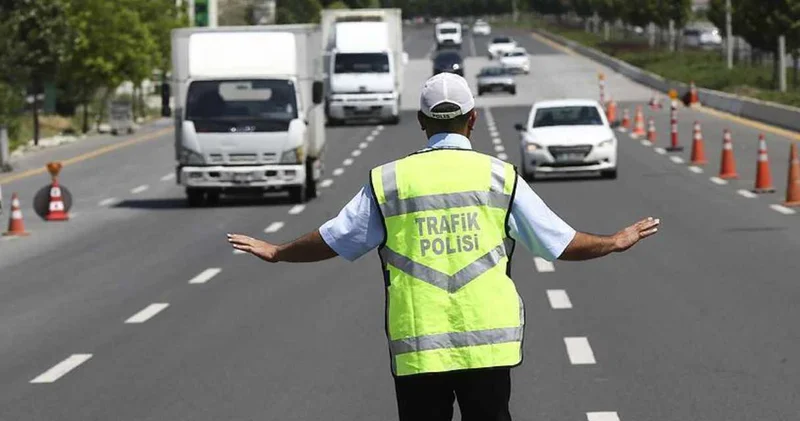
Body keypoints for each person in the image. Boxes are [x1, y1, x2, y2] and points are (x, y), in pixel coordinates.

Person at [227, 73, 660, 421]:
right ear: (471, 120)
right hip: (487, 345)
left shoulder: (390, 181)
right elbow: (559, 243)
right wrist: (614, 241)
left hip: (418, 347)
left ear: (421, 121)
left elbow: (335, 239)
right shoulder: (499, 177)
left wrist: (278, 250)